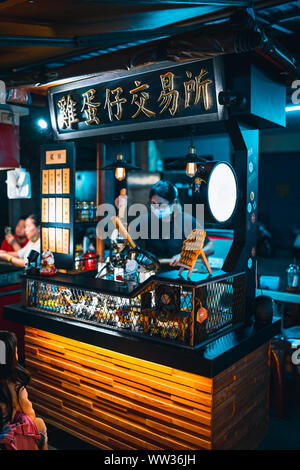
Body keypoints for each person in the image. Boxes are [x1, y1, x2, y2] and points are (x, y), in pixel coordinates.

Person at [129, 180, 214, 266]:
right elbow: (127, 240)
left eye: (160, 204)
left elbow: (210, 248)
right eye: (153, 203)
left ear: (173, 203)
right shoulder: (146, 221)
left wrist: (184, 256)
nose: (156, 208)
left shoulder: (187, 221)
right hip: (152, 274)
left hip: (177, 275)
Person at [0, 331, 48, 450]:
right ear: (11, 358)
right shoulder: (16, 389)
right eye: (16, 352)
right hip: (8, 436)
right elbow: (30, 416)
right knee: (41, 425)